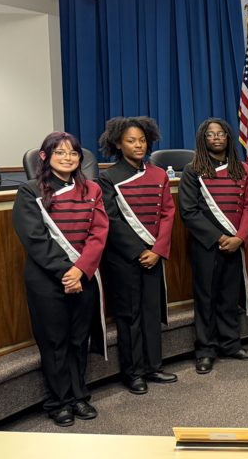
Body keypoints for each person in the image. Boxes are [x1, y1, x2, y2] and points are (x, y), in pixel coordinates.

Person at [13, 132, 108, 426]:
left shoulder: (92, 188)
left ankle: (79, 396)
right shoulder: (30, 191)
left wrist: (80, 270)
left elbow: (99, 233)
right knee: (54, 341)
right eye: (60, 153)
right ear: (45, 157)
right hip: (47, 278)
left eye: (73, 153)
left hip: (84, 275)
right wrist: (67, 273)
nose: (68, 158)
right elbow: (34, 238)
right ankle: (59, 401)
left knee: (79, 339)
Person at [97, 117, 176, 395]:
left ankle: (154, 366)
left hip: (154, 255)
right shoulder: (107, 177)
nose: (138, 145)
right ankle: (133, 373)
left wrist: (157, 251)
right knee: (130, 317)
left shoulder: (158, 174)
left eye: (142, 140)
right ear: (118, 143)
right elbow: (111, 219)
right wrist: (138, 251)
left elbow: (167, 213)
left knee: (152, 313)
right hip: (125, 258)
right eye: (131, 140)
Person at [177, 118, 248, 373]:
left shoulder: (243, 169)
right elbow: (189, 211)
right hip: (207, 245)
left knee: (229, 297)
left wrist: (240, 237)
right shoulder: (193, 170)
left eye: (221, 133)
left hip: (235, 244)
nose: (216, 137)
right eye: (210, 134)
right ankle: (205, 350)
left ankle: (231, 344)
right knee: (206, 298)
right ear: (203, 139)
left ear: (228, 137)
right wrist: (218, 238)